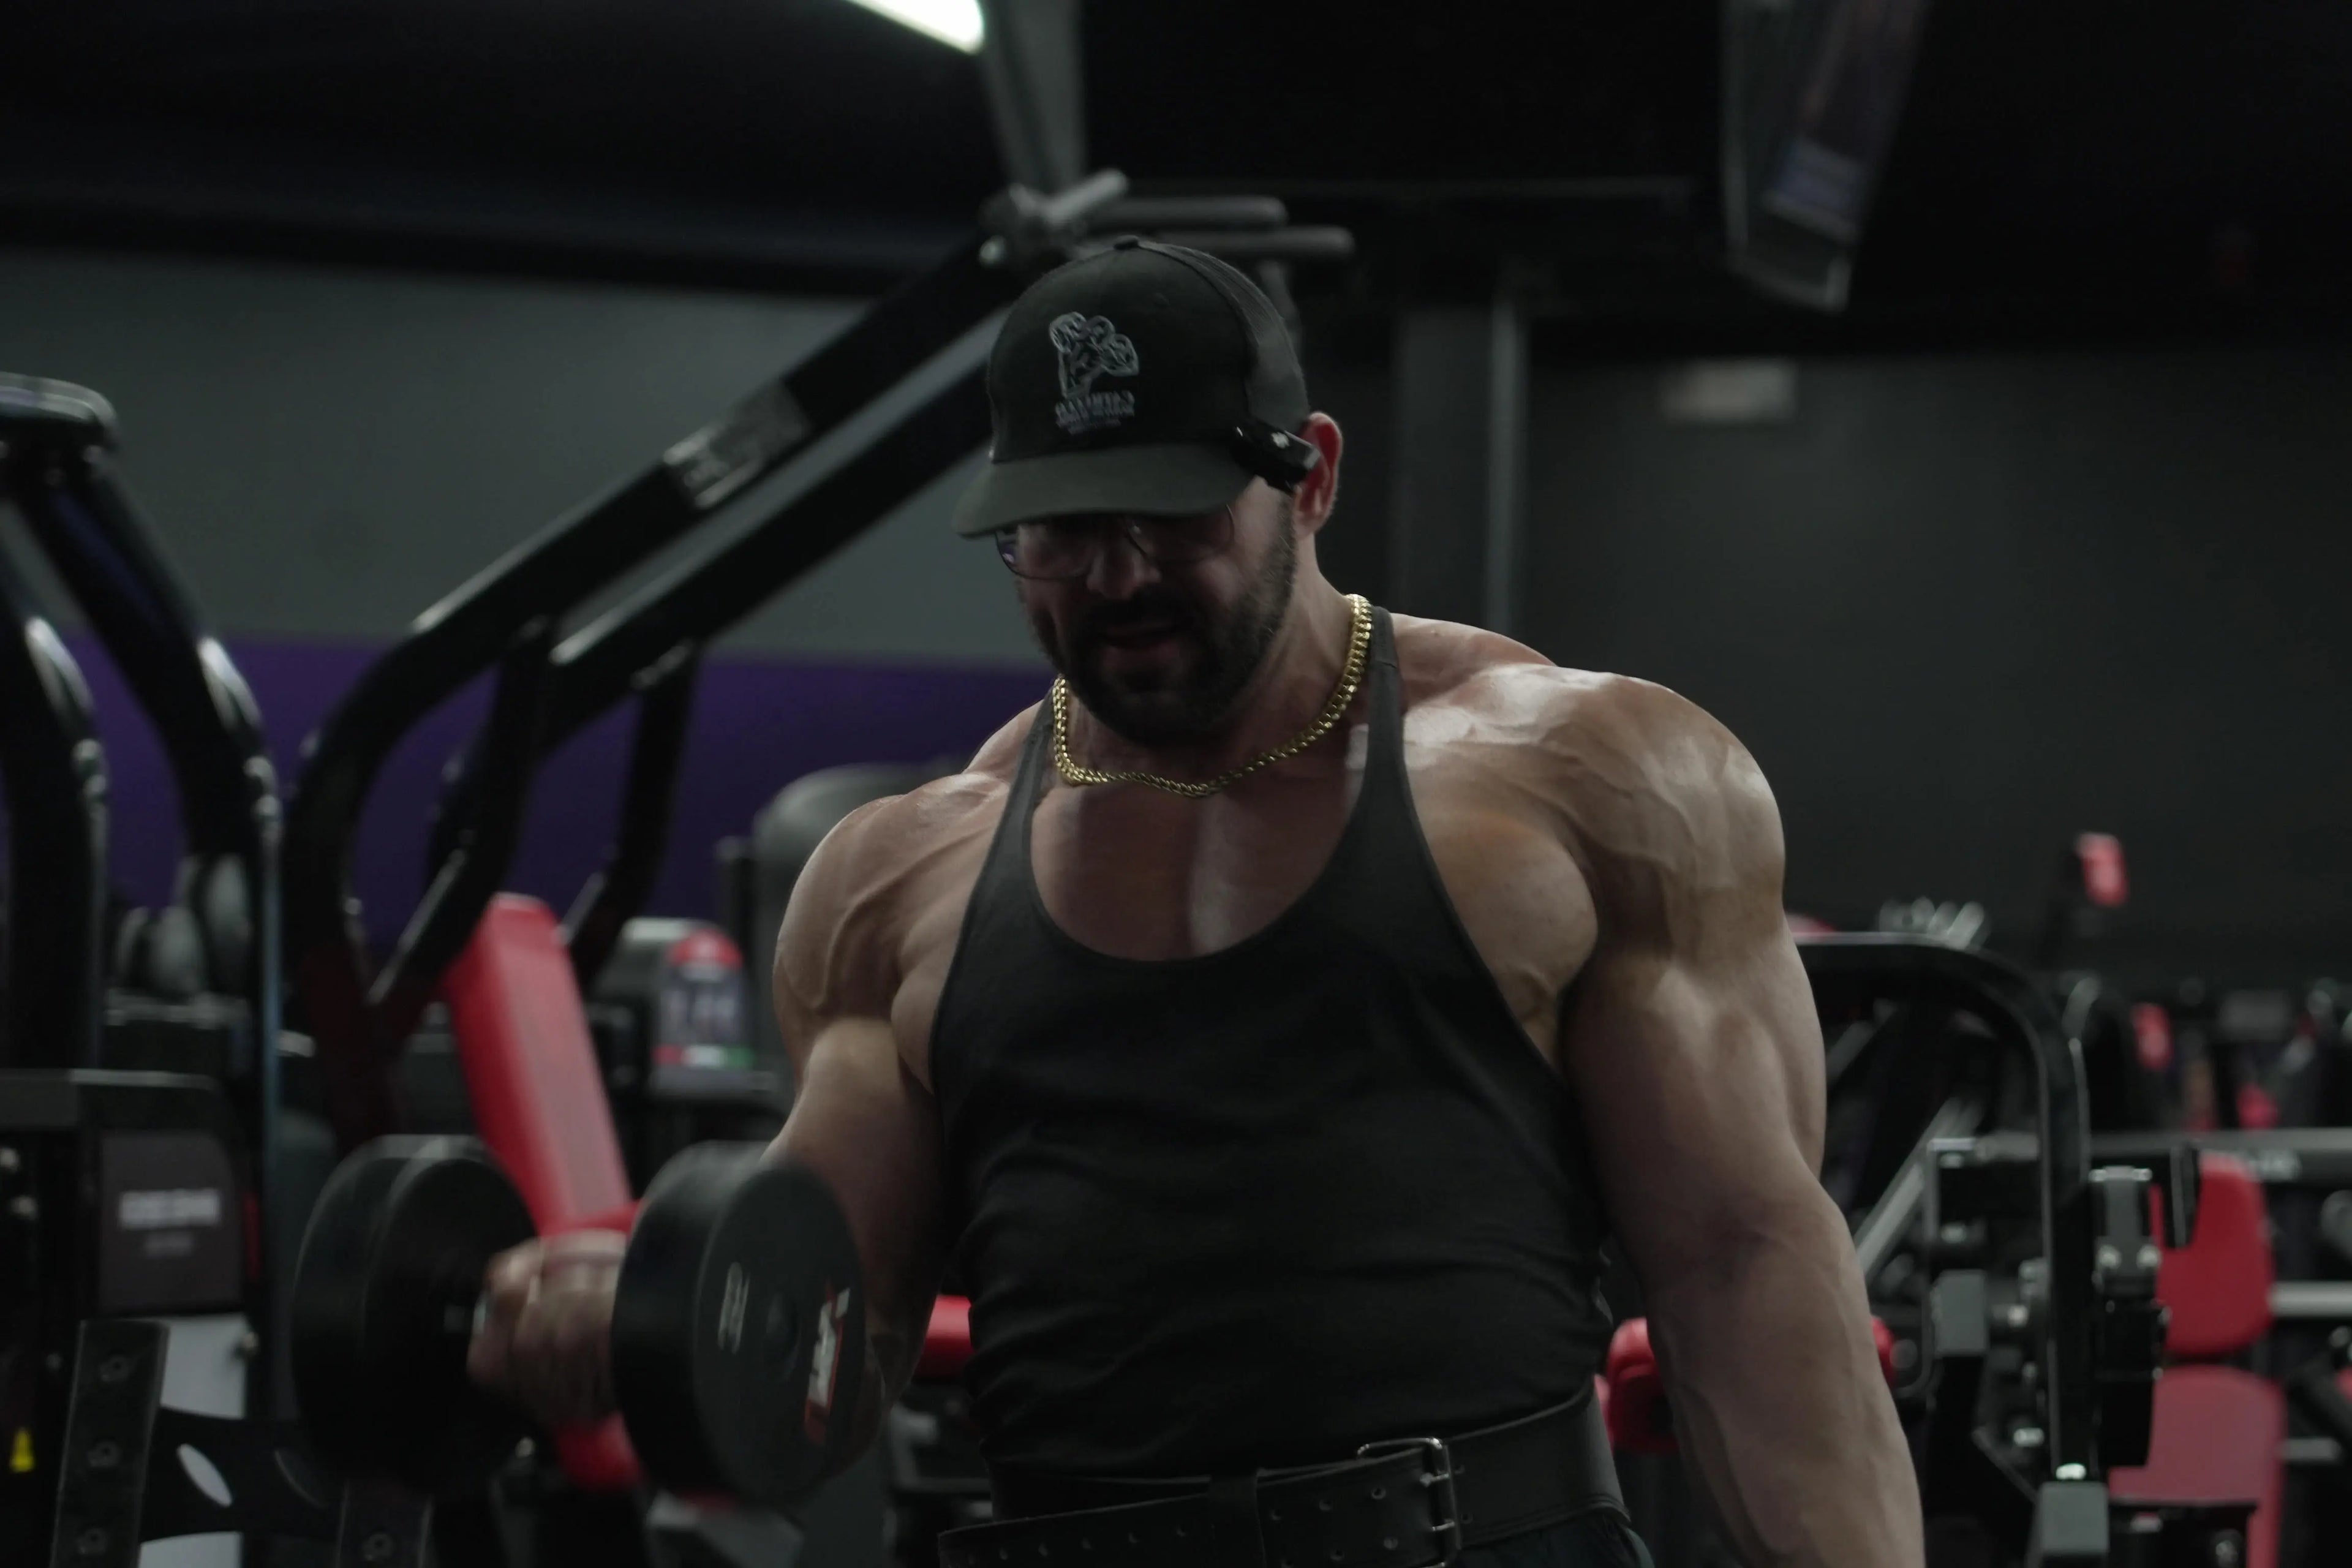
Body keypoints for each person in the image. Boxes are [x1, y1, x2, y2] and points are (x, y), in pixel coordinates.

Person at [468, 241, 1923, 1568]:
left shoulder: (1587, 777)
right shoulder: (897, 878)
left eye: (1167, 514)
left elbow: (1743, 1270)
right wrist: (640, 1305)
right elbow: (819, 1339)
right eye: (1058, 533)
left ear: (1311, 476)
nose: (1117, 576)